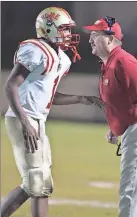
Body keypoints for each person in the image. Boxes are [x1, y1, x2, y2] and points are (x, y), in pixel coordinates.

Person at [1, 7, 104, 217]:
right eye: (64, 29)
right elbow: (10, 86)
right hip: (24, 119)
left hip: (36, 120)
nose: (68, 34)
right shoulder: (36, 50)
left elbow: (49, 97)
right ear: (48, 29)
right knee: (34, 182)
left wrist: (83, 99)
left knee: (43, 185)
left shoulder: (61, 59)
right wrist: (25, 121)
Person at [84, 16, 137, 217]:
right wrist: (115, 127)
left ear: (110, 39)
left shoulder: (124, 61)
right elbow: (121, 101)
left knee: (130, 193)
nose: (90, 38)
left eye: (95, 34)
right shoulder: (109, 63)